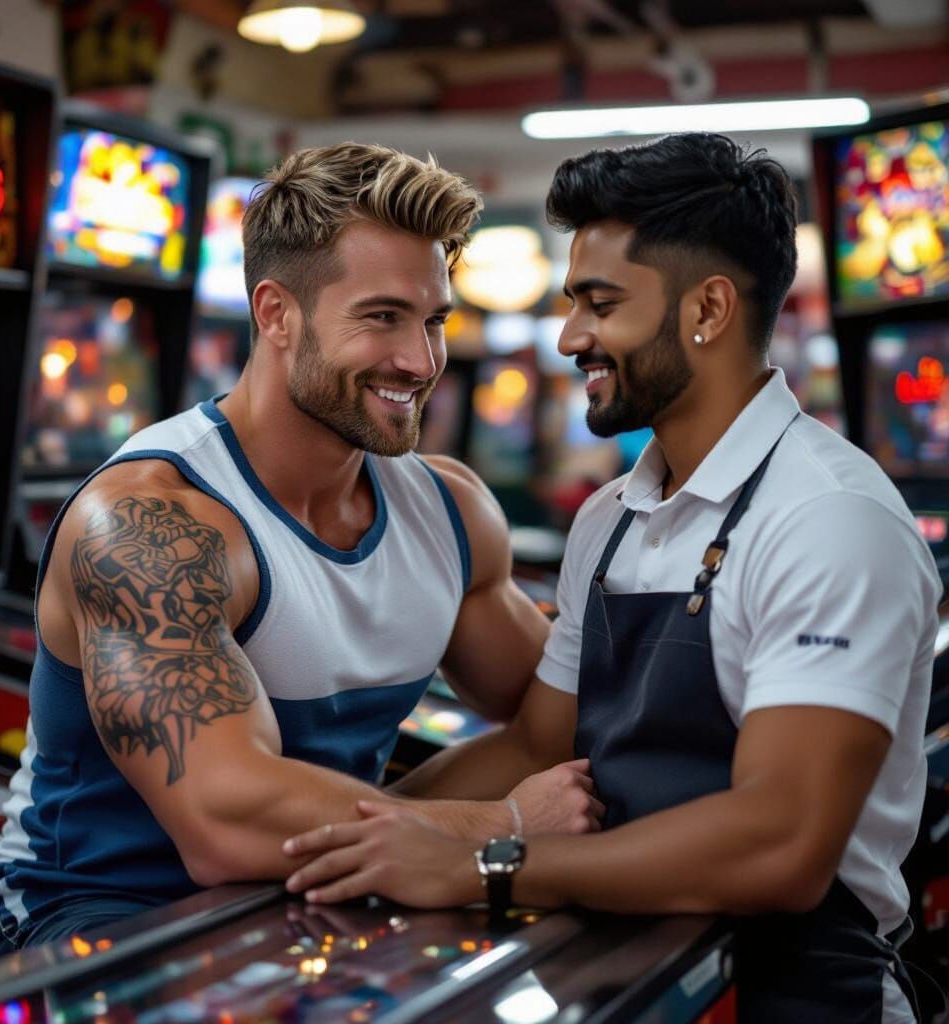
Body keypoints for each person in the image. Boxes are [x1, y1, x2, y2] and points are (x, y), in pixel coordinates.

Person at [283, 133, 942, 1022]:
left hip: (799, 989)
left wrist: (485, 865)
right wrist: (360, 837)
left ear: (708, 309)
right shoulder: (612, 519)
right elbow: (534, 747)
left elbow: (783, 844)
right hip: (618, 974)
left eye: (600, 304)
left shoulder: (828, 519)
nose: (570, 337)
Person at [0, 143, 602, 962]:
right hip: (92, 921)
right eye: (382, 317)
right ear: (276, 314)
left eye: (433, 320)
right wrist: (501, 826)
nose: (420, 360)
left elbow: (554, 725)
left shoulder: (447, 511)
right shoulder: (149, 525)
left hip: (303, 903)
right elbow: (227, 823)